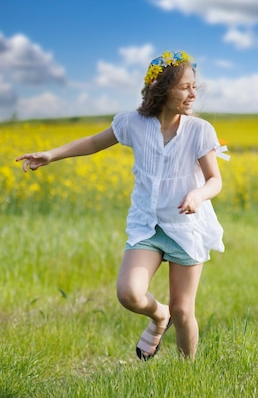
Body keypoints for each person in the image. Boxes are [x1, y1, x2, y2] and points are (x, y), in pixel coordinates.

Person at [16, 50, 229, 358]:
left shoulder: (199, 130)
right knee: (129, 294)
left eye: (194, 85)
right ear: (162, 89)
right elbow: (92, 143)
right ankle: (159, 316)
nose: (193, 93)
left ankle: (188, 374)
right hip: (148, 224)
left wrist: (197, 195)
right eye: (185, 86)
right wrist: (51, 154)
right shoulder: (134, 123)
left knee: (184, 311)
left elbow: (215, 180)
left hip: (185, 226)